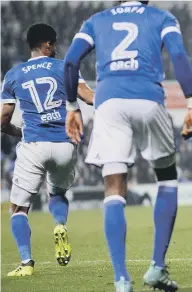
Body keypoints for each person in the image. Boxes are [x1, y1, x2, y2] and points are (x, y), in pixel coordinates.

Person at [63, 1, 192, 291]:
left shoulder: (96, 20)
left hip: (108, 101)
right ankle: (157, 268)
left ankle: (121, 278)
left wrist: (72, 107)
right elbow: (178, 55)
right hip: (148, 97)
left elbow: (71, 62)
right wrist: (191, 103)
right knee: (167, 177)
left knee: (113, 185)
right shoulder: (161, 17)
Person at [1, 23, 94, 276]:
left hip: (33, 146)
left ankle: (26, 263)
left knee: (19, 208)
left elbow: (3, 120)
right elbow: (88, 97)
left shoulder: (14, 74)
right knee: (58, 193)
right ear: (48, 45)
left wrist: (18, 131)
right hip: (64, 144)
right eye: (54, 44)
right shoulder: (66, 66)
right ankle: (60, 224)